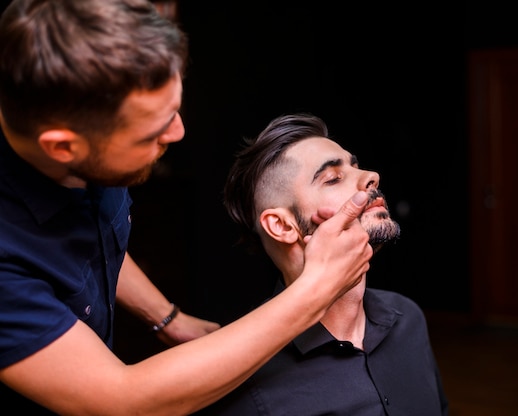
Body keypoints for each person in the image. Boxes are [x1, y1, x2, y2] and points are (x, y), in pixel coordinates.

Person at [0, 1, 373, 414]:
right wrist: (318, 287)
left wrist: (166, 317)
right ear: (64, 146)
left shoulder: (89, 139)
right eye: (152, 134)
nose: (177, 132)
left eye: (174, 109)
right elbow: (122, 402)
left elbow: (86, 243)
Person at [201, 113, 448, 415]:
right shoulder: (247, 388)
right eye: (333, 178)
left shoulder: (407, 319)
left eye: (355, 165)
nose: (371, 176)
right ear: (282, 225)